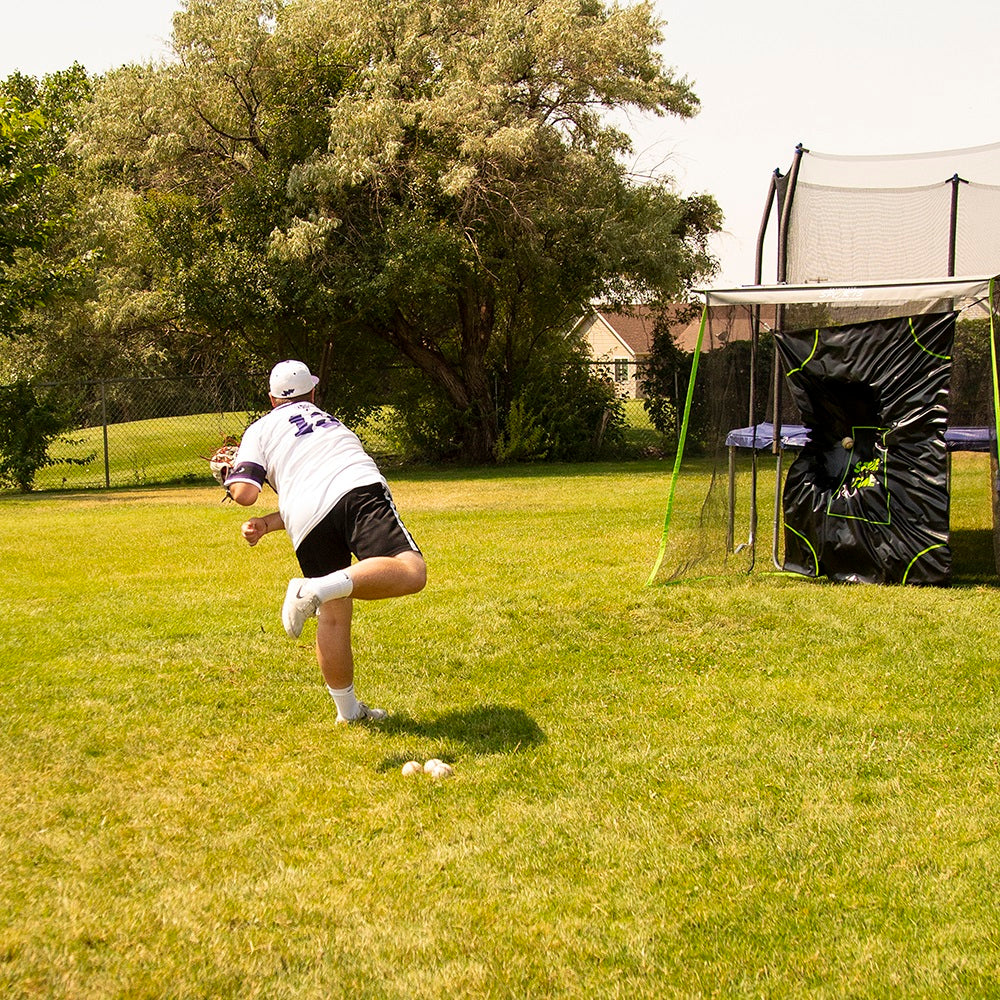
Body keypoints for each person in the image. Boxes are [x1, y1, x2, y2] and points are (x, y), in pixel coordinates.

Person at [223, 360, 426, 724]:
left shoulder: (260, 429)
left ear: (271, 399)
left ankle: (348, 713)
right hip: (357, 489)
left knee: (333, 613)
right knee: (412, 571)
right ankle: (315, 589)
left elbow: (245, 494)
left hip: (305, 517)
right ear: (312, 393)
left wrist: (230, 474)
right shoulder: (331, 422)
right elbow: (329, 482)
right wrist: (269, 524)